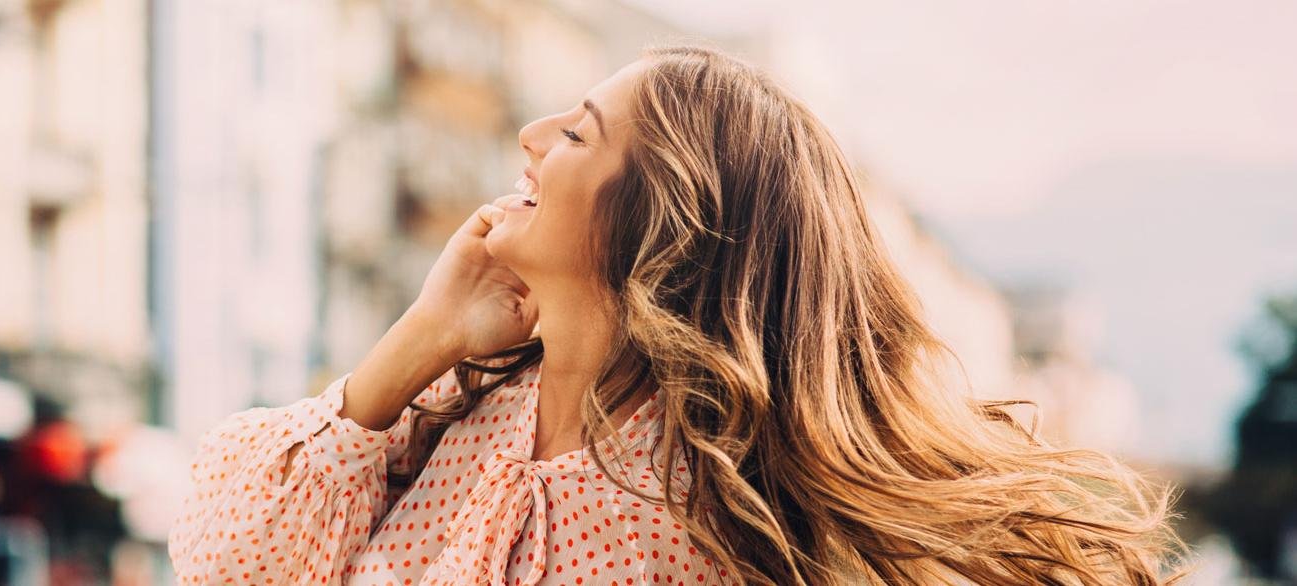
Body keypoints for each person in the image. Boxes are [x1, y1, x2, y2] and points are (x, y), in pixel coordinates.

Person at [168, 44, 1190, 585]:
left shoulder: (720, 513)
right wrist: (415, 344)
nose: (527, 137)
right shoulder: (443, 421)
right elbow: (221, 560)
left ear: (657, 219)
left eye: (575, 132)